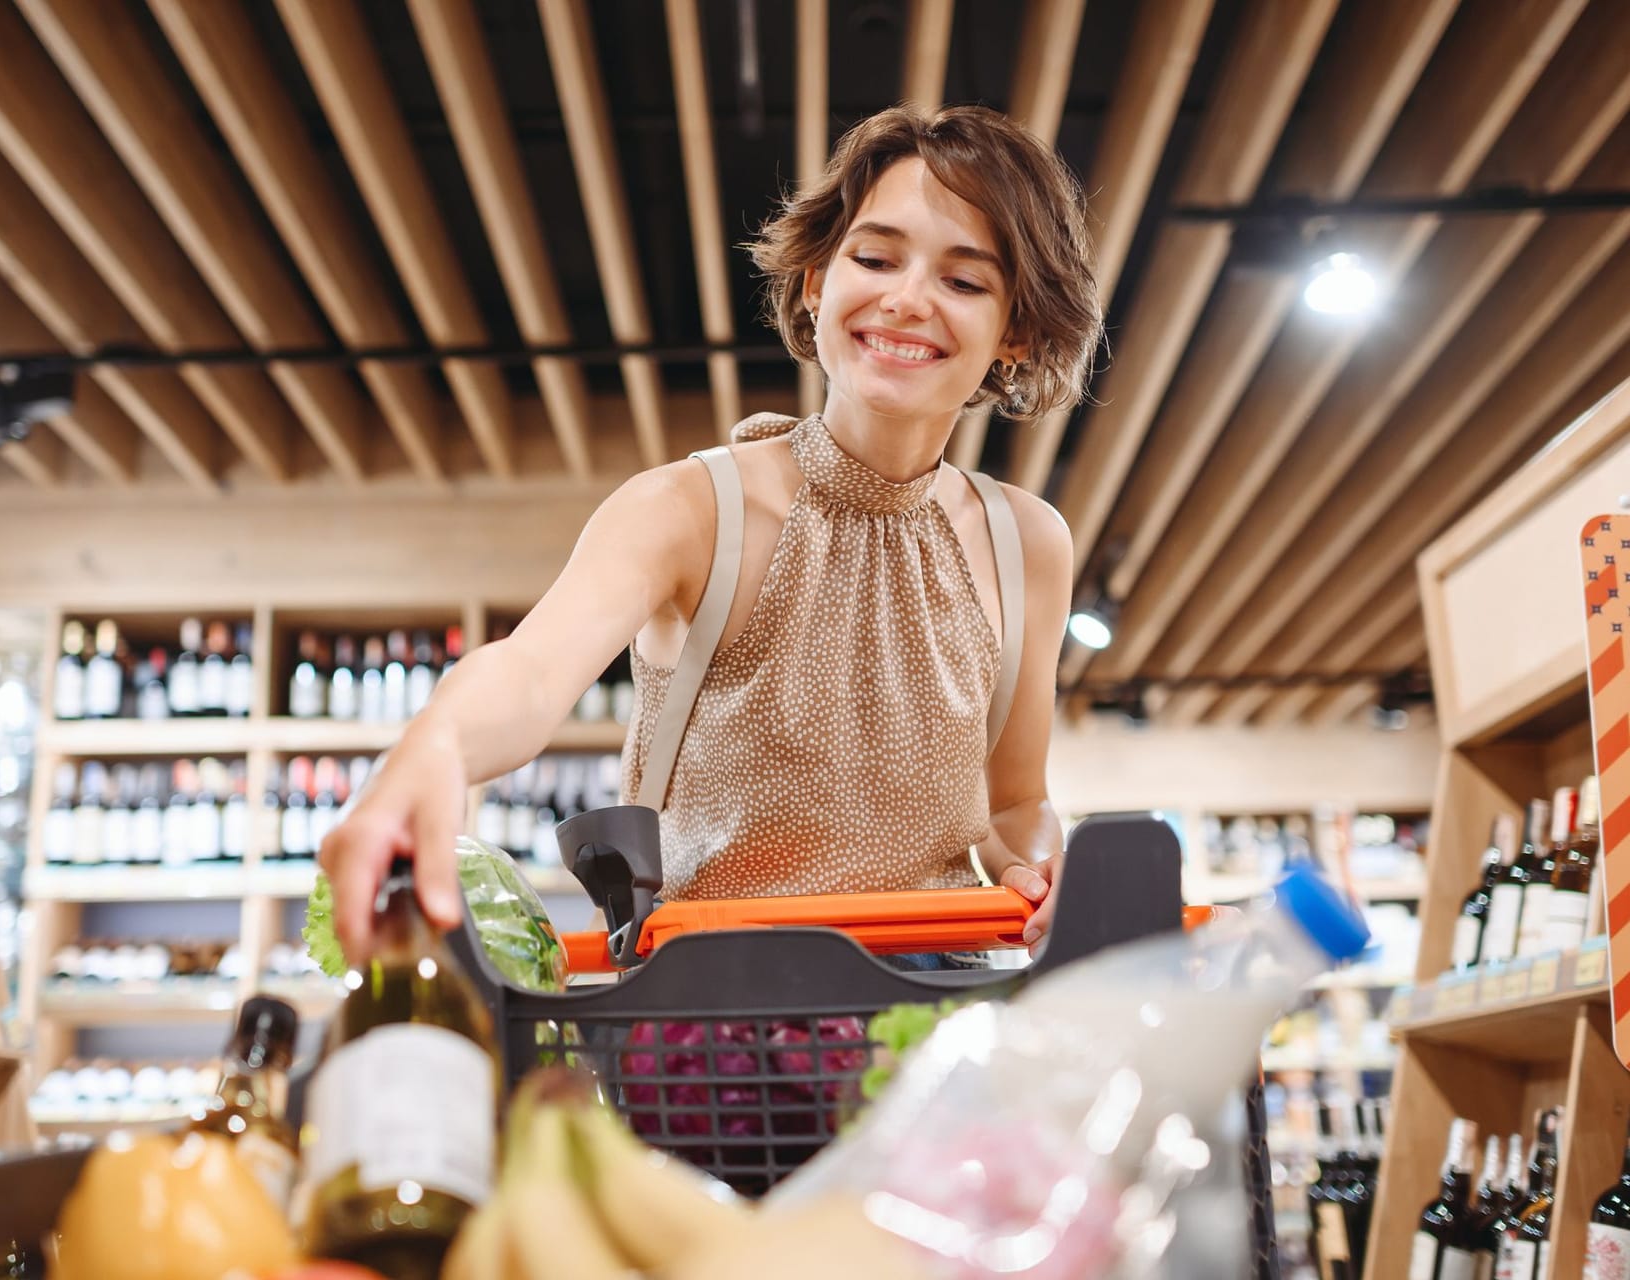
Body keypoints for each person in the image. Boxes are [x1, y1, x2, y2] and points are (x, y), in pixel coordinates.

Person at [322, 104, 1102, 967]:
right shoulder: (691, 510)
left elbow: (1011, 806)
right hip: (715, 1024)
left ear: (1018, 334)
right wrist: (435, 743)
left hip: (942, 1016)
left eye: (965, 281)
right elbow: (529, 671)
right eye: (874, 257)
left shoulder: (1025, 541)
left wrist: (1045, 872)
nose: (907, 298)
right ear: (816, 282)